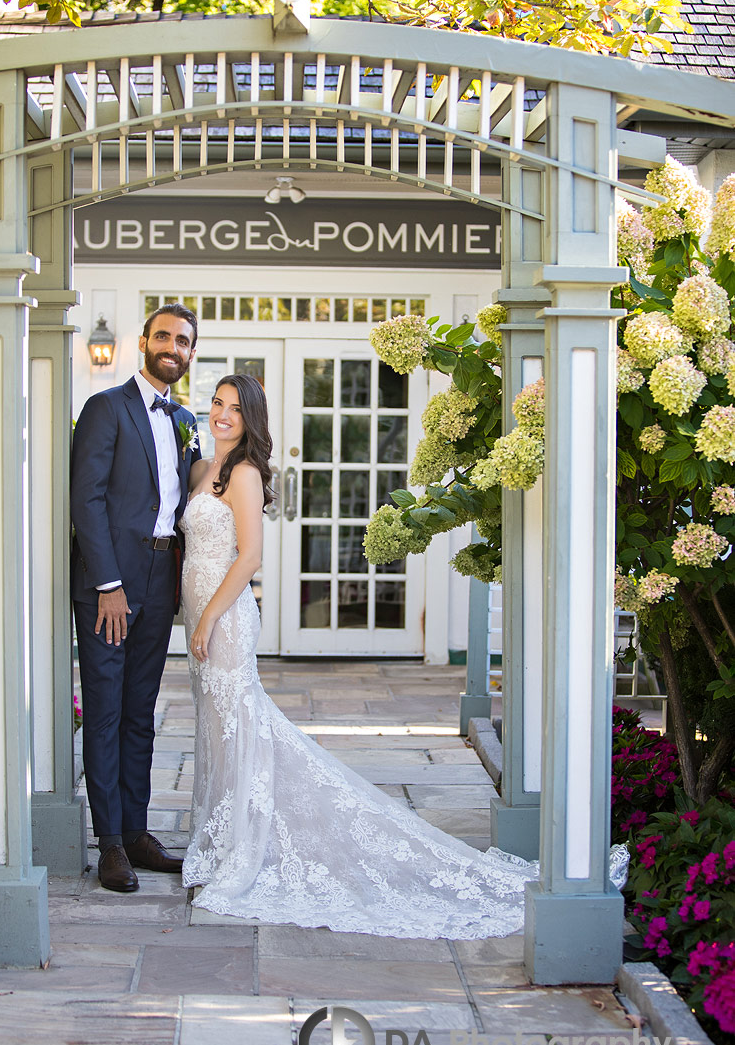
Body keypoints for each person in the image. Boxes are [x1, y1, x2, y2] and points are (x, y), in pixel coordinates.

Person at [181, 374, 629, 938]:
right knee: (217, 730)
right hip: (203, 620)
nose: (222, 415)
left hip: (223, 621)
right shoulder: (201, 470)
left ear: (250, 420)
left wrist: (206, 617)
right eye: (217, 404)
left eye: (234, 408)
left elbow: (248, 559)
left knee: (239, 726)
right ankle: (220, 838)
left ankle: (244, 848)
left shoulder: (243, 474)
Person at [71, 302, 201, 893]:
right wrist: (108, 585)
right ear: (143, 342)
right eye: (163, 336)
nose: (172, 347)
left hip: (160, 576)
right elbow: (88, 501)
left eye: (183, 341)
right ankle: (111, 845)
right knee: (103, 710)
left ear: (190, 353)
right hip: (112, 586)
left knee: (140, 712)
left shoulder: (185, 418)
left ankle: (138, 830)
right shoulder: (105, 408)